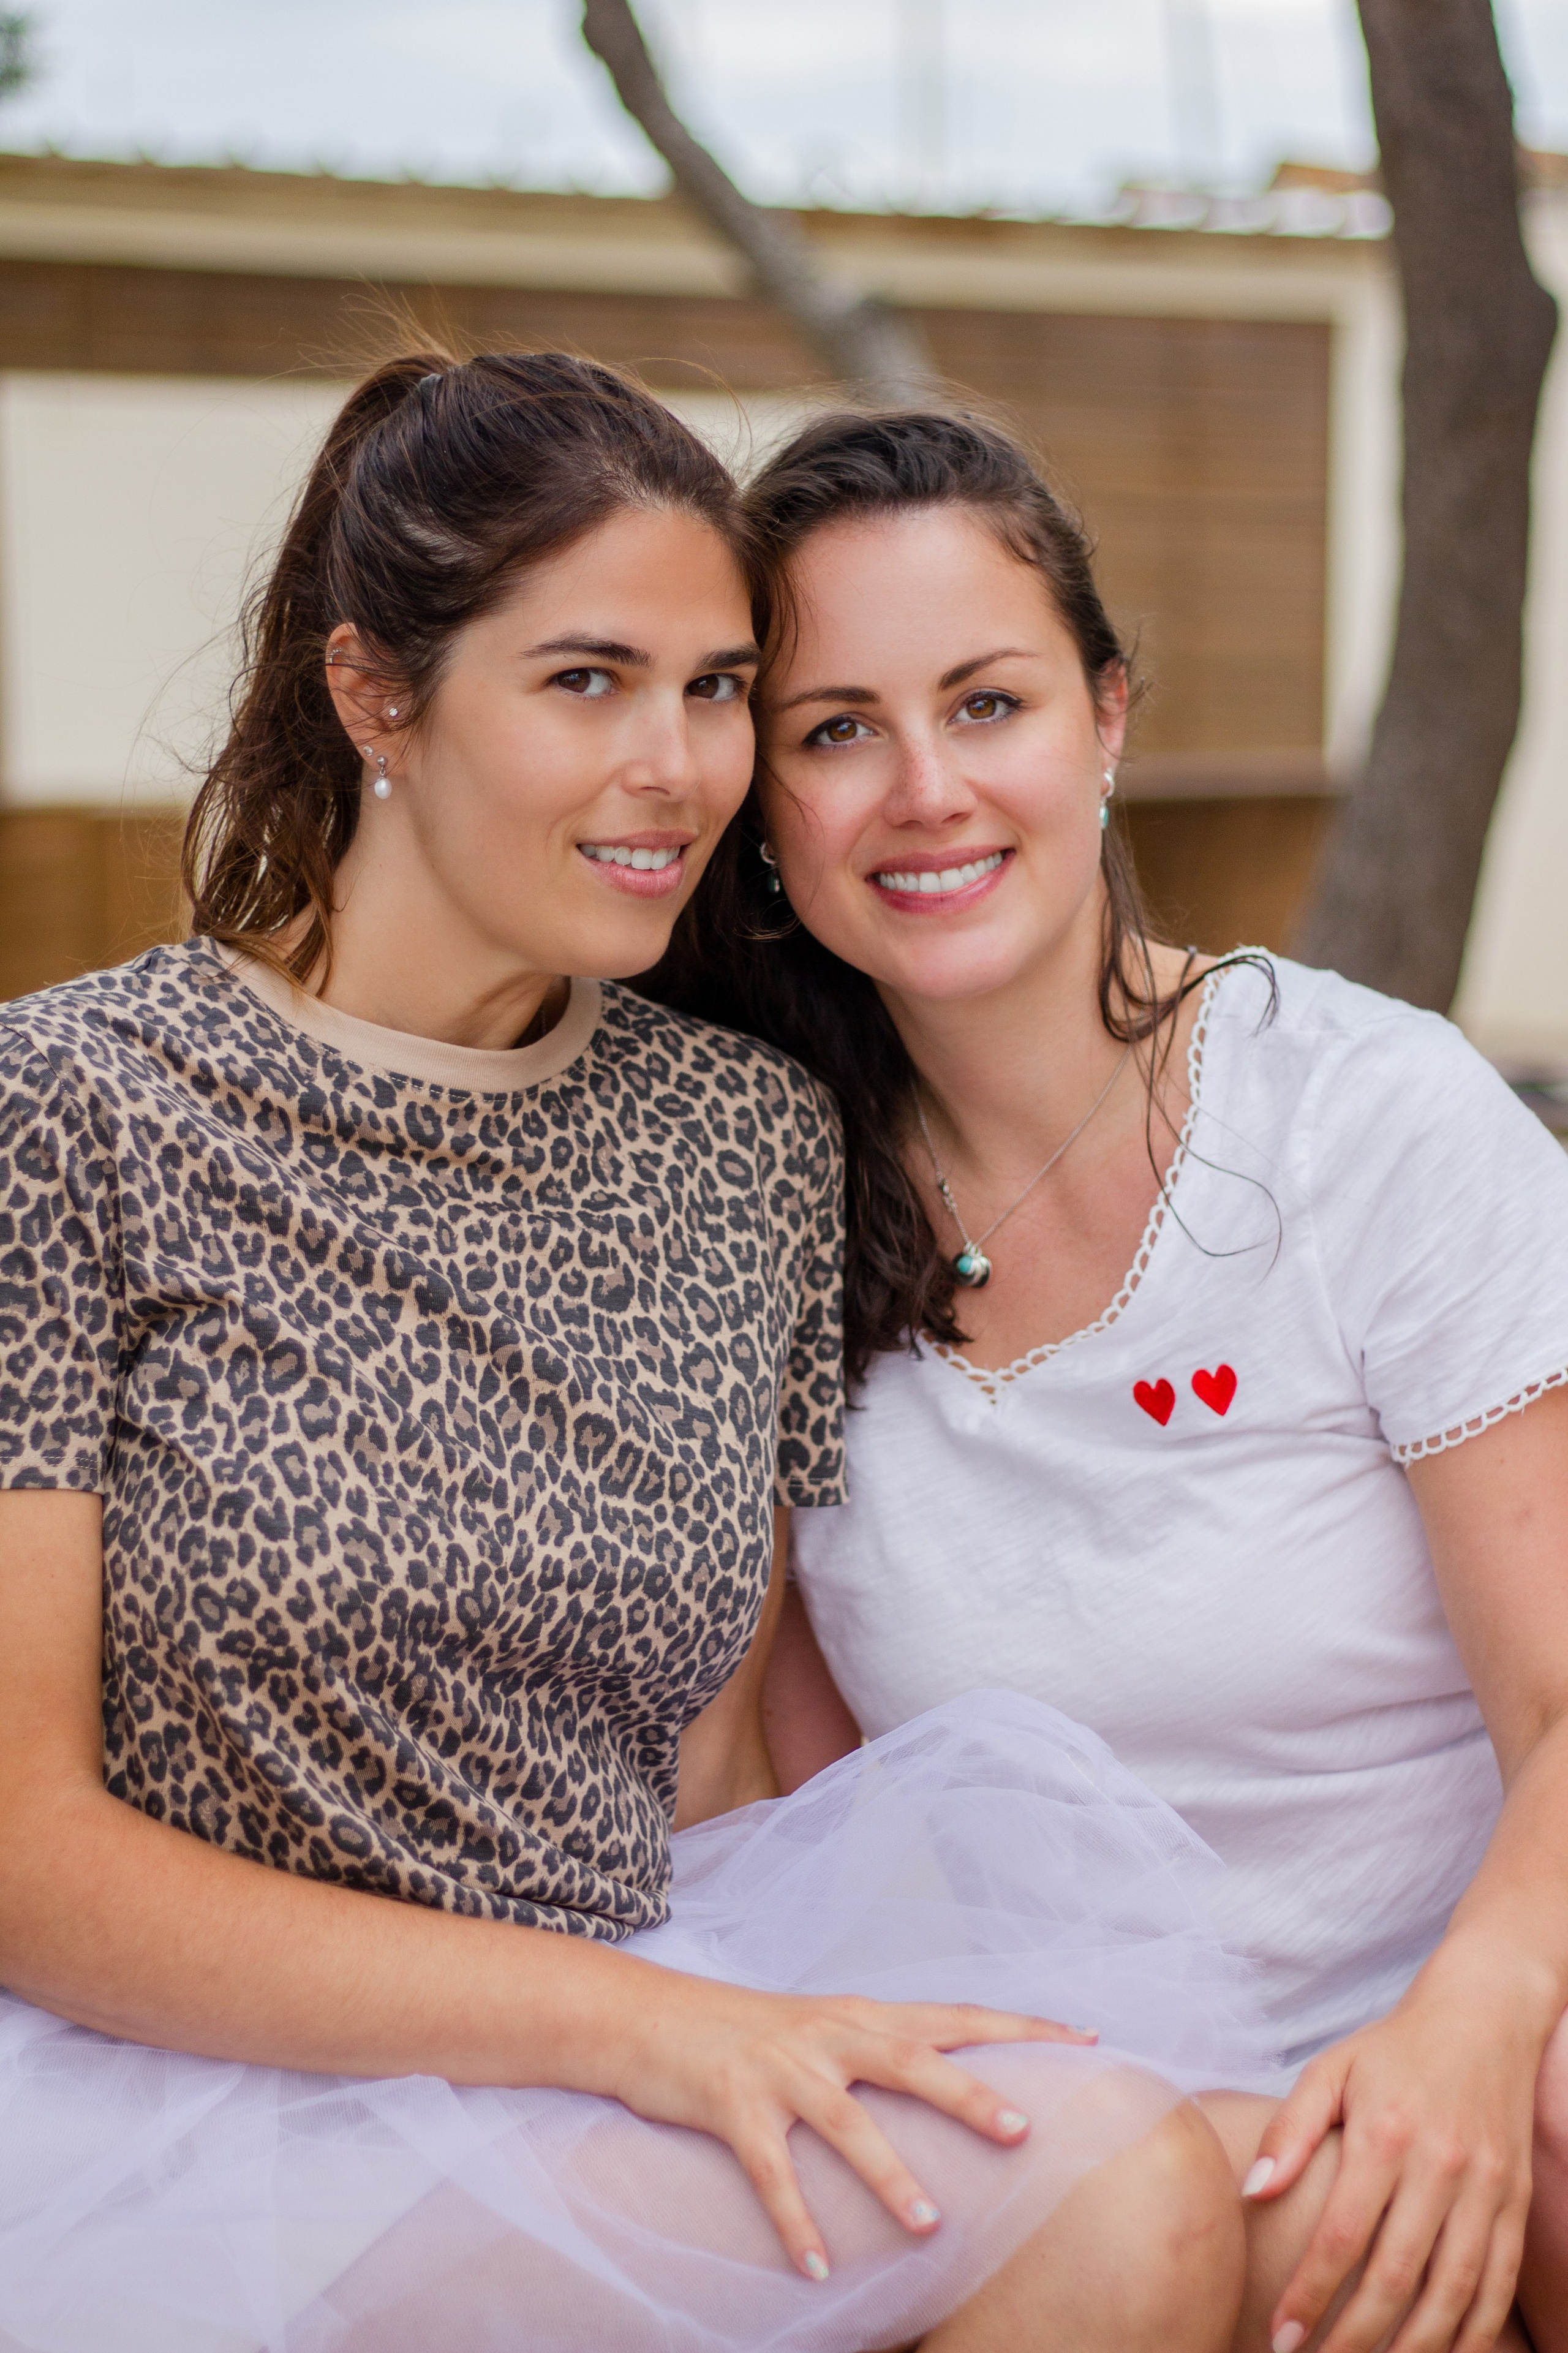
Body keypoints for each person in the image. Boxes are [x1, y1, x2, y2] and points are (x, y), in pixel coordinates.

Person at [0, 350, 1292, 2353]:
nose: (679, 766)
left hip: (631, 2050)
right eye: (586, 679)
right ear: (376, 696)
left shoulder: (744, 1139)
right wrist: (643, 2032)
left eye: (713, 690)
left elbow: (704, 1765)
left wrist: (713, 2046)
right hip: (187, 2100)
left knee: (1151, 2164)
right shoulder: (72, 1109)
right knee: (1110, 2177)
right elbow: (27, 1852)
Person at [645, 403, 1568, 2353]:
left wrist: (1470, 2038)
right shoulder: (741, 1201)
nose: (924, 790)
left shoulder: (1363, 1113)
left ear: (1107, 717)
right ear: (758, 798)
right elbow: (803, 1796)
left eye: (988, 703)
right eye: (834, 730)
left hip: (1488, 1997)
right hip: (1083, 2107)